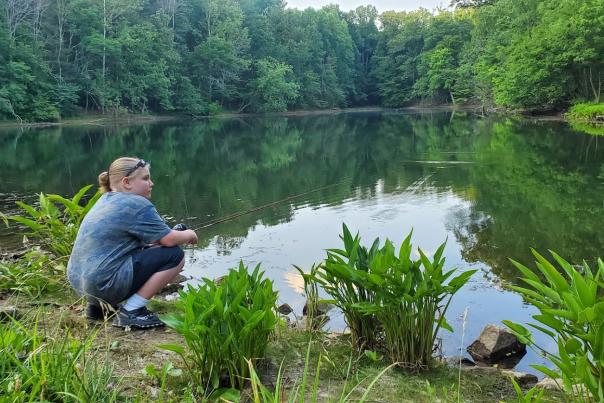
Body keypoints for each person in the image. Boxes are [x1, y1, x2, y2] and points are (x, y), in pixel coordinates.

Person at [67, 157, 198, 329]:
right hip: (103, 285)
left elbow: (138, 244)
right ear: (127, 182)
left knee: (157, 252)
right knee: (174, 255)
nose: (151, 183)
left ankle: (97, 308)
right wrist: (189, 234)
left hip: (82, 287)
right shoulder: (137, 204)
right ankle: (131, 311)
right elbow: (169, 239)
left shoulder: (105, 200)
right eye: (145, 178)